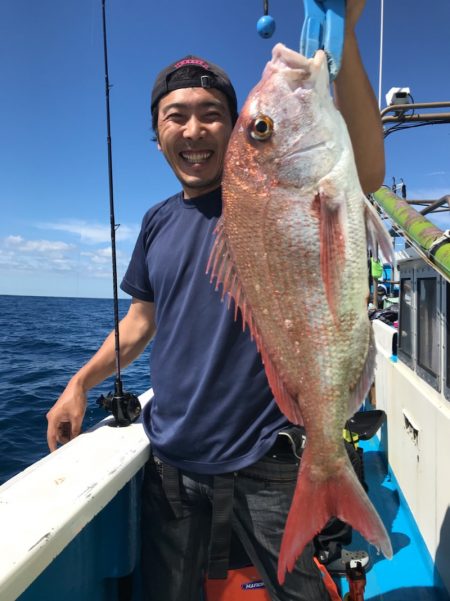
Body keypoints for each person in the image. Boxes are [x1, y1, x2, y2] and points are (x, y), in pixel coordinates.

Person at [46, 2, 384, 599]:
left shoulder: (264, 198)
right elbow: (142, 321)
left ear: (233, 135)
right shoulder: (156, 223)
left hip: (270, 459)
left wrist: (348, 35)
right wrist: (81, 381)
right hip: (172, 461)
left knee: (300, 591)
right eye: (176, 117)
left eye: (213, 115)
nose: (194, 130)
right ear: (157, 137)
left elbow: (369, 171)